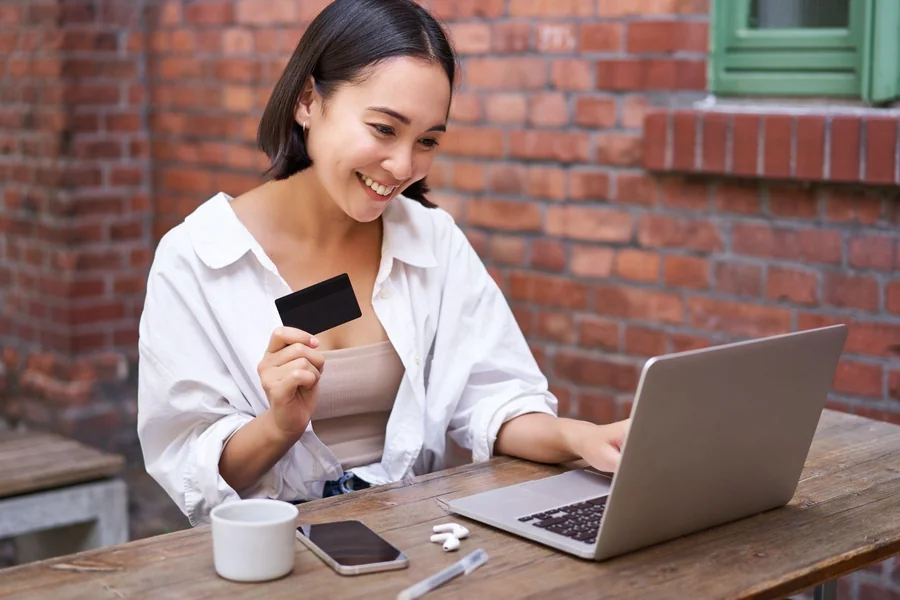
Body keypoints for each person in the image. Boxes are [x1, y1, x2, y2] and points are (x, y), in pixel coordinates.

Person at [137, 0, 630, 527]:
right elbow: (190, 470)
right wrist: (278, 425)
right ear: (307, 101)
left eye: (427, 141)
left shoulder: (431, 240)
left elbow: (493, 397)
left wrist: (581, 438)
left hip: (417, 537)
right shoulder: (197, 258)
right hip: (270, 552)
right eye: (383, 129)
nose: (403, 167)